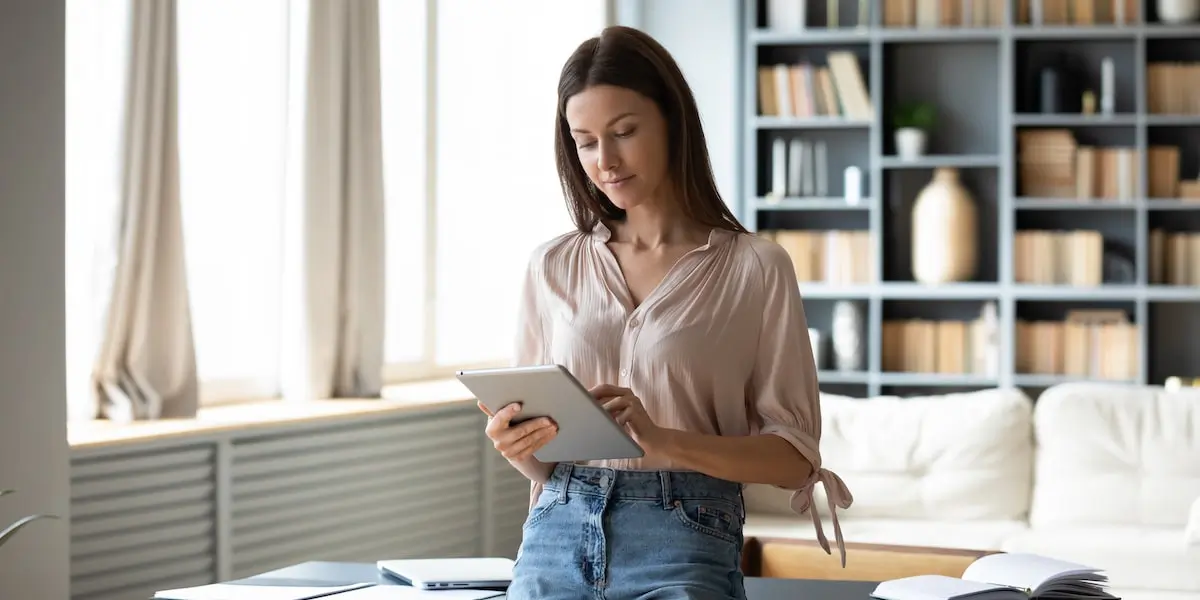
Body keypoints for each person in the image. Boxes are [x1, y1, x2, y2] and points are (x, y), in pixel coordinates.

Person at [477, 25, 852, 600]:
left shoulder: (756, 267)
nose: (605, 161)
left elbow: (795, 459)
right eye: (585, 141)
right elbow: (547, 460)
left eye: (624, 132)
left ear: (673, 122)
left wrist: (664, 442)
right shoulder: (551, 265)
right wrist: (520, 448)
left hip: (686, 536)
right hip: (557, 532)